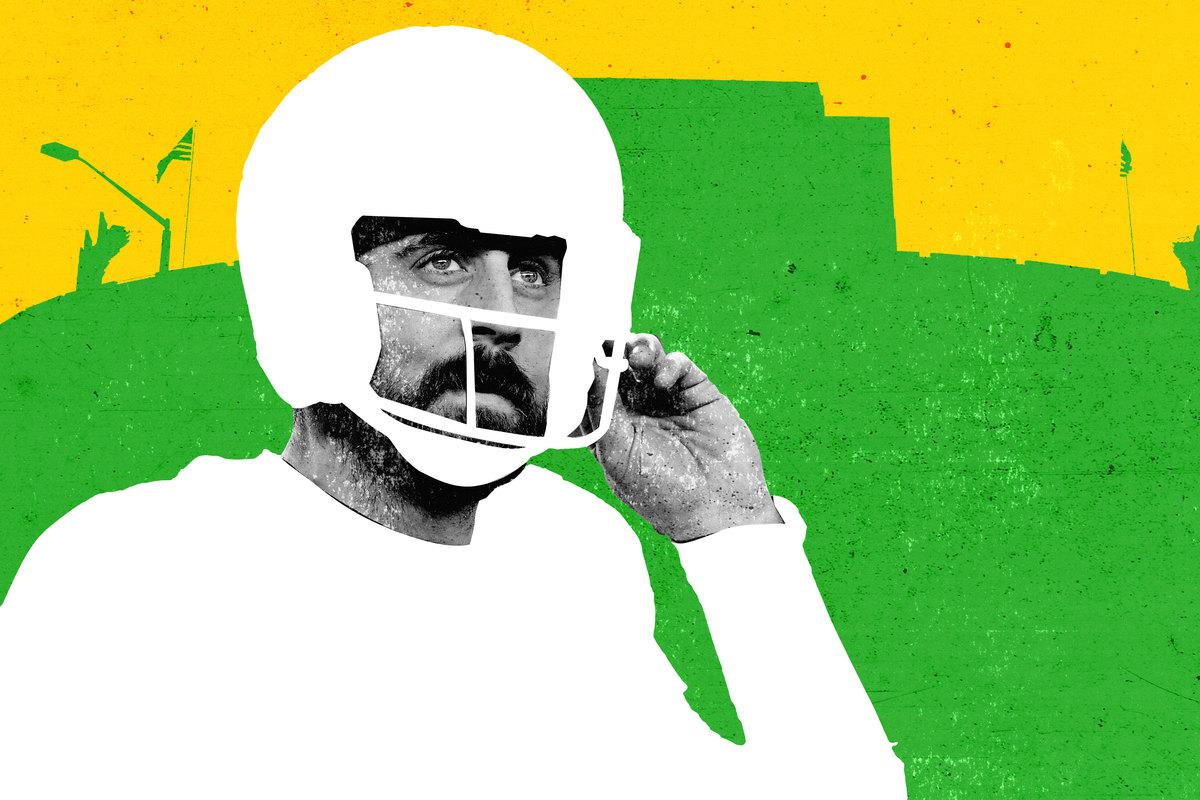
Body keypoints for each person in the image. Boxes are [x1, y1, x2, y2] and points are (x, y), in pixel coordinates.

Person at [0, 26, 906, 798]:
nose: (504, 315)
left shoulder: (570, 558)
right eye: (443, 261)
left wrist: (733, 533)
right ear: (308, 286)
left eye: (535, 272)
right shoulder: (134, 577)